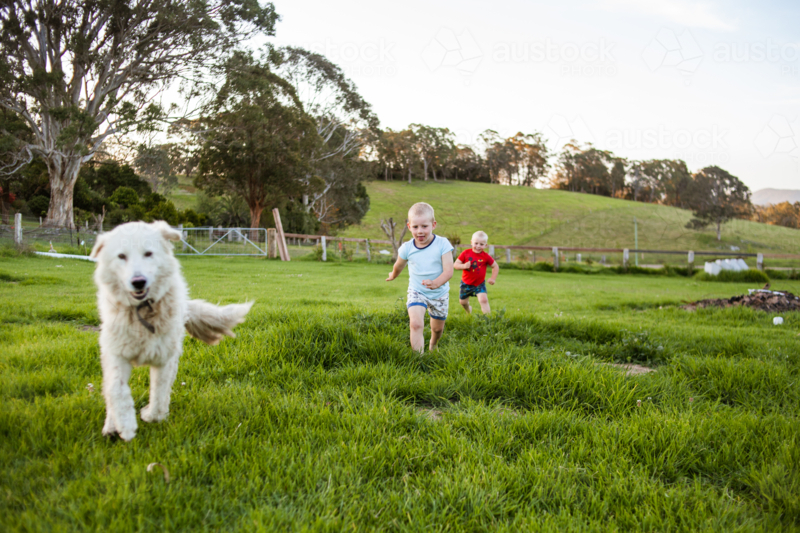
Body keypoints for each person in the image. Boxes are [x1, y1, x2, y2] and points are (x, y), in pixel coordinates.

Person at [386, 202, 454, 353]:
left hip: (439, 294)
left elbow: (449, 271)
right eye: (415, 227)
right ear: (409, 227)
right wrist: (393, 275)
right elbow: (399, 265)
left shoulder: (442, 244)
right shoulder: (407, 248)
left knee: (437, 329)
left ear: (433, 225)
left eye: (424, 226)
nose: (420, 231)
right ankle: (418, 359)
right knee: (416, 324)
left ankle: (433, 344)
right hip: (417, 291)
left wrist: (436, 283)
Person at [453, 230, 499, 314]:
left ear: (485, 245)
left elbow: (495, 266)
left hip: (479, 284)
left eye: (481, 244)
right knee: (463, 302)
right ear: (471, 242)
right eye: (476, 243)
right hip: (466, 283)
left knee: (483, 300)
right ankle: (468, 310)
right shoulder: (465, 253)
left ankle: (488, 319)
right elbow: (455, 265)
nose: (478, 246)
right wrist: (463, 266)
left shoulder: (486, 256)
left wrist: (493, 278)